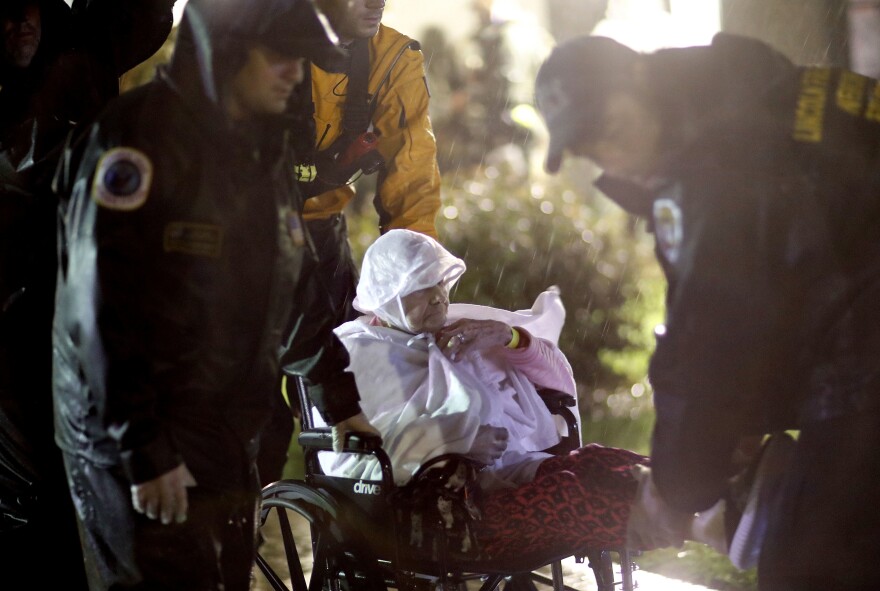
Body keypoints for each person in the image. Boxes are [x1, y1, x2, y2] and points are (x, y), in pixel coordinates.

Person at [535, 33, 880, 589]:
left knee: (810, 570)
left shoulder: (713, 171)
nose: (614, 163)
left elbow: (713, 340)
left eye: (613, 132)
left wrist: (676, 487)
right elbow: (794, 275)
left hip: (866, 372)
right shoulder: (761, 101)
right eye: (593, 153)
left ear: (640, 81)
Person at [51, 1, 344, 589]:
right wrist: (143, 452)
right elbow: (101, 306)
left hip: (224, 438)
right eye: (279, 54)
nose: (295, 71)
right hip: (138, 435)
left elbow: (293, 284)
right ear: (225, 53)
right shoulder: (136, 138)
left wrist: (342, 396)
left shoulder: (265, 149)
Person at [319, 228, 730, 561]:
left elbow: (556, 380)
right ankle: (697, 527)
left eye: (440, 282)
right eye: (422, 287)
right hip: (448, 512)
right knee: (566, 494)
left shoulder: (461, 326)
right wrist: (454, 444)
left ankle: (718, 492)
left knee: (593, 462)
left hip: (509, 476)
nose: (439, 296)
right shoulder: (361, 351)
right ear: (389, 293)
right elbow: (363, 448)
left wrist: (512, 338)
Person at [0, 0, 174, 587]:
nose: (17, 26)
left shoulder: (84, 41)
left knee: (98, 488)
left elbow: (146, 15)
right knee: (34, 498)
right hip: (11, 324)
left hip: (86, 309)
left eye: (25, 9)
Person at [260, 0, 440, 485]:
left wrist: (416, 282)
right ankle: (236, 535)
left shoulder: (393, 58)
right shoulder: (257, 54)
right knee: (256, 419)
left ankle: (345, 530)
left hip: (322, 234)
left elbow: (412, 174)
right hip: (245, 237)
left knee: (358, 390)